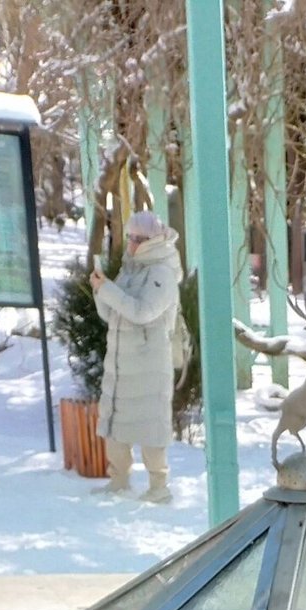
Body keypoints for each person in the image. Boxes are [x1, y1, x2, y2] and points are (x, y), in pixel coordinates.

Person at [90, 211, 182, 503]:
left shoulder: (162, 273)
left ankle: (159, 487)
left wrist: (109, 290)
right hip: (120, 362)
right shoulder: (131, 268)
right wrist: (100, 290)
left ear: (152, 241)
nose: (131, 243)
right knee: (115, 423)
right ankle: (118, 480)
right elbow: (111, 313)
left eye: (138, 239)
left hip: (148, 364)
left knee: (151, 427)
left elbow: (143, 312)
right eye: (130, 237)